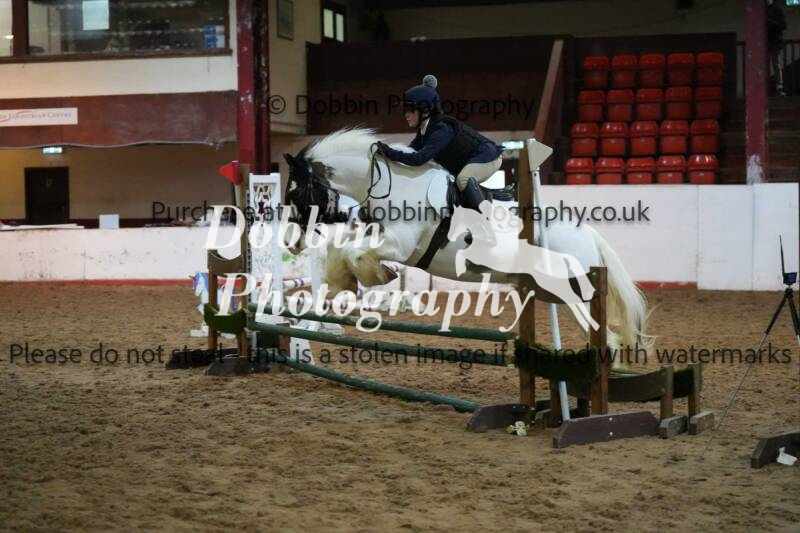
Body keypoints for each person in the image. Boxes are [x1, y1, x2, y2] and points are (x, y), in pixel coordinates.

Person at [376, 75, 504, 213]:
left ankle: (483, 219)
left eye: (410, 109)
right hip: (473, 159)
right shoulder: (425, 130)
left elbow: (418, 159)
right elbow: (410, 152)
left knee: (463, 179)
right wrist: (386, 154)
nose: (406, 114)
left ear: (425, 110)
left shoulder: (442, 129)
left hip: (488, 157)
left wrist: (389, 152)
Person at [767, 0, 788, 96]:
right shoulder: (762, 11)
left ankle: (779, 87)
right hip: (765, 42)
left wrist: (771, 23)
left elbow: (784, 25)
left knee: (776, 64)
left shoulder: (777, 10)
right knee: (770, 65)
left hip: (775, 41)